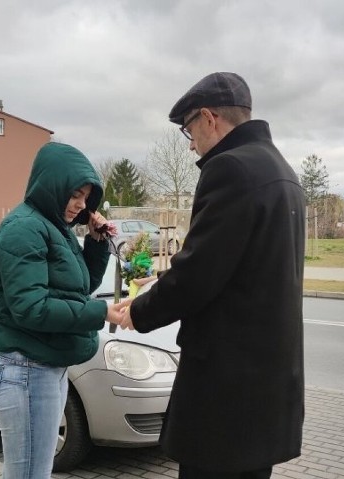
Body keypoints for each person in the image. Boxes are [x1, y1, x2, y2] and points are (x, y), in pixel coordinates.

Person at [118, 72, 307, 478]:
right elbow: (239, 269)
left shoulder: (231, 169)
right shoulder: (281, 170)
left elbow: (198, 277)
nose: (189, 144)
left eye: (189, 130)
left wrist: (138, 310)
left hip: (226, 396)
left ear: (209, 118)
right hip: (265, 390)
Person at [0, 141, 126, 478]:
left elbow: (77, 289)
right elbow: (32, 309)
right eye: (75, 195)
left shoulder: (54, 229)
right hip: (25, 371)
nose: (80, 206)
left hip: (44, 369)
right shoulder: (24, 229)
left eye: (86, 199)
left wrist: (94, 242)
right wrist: (100, 312)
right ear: (52, 185)